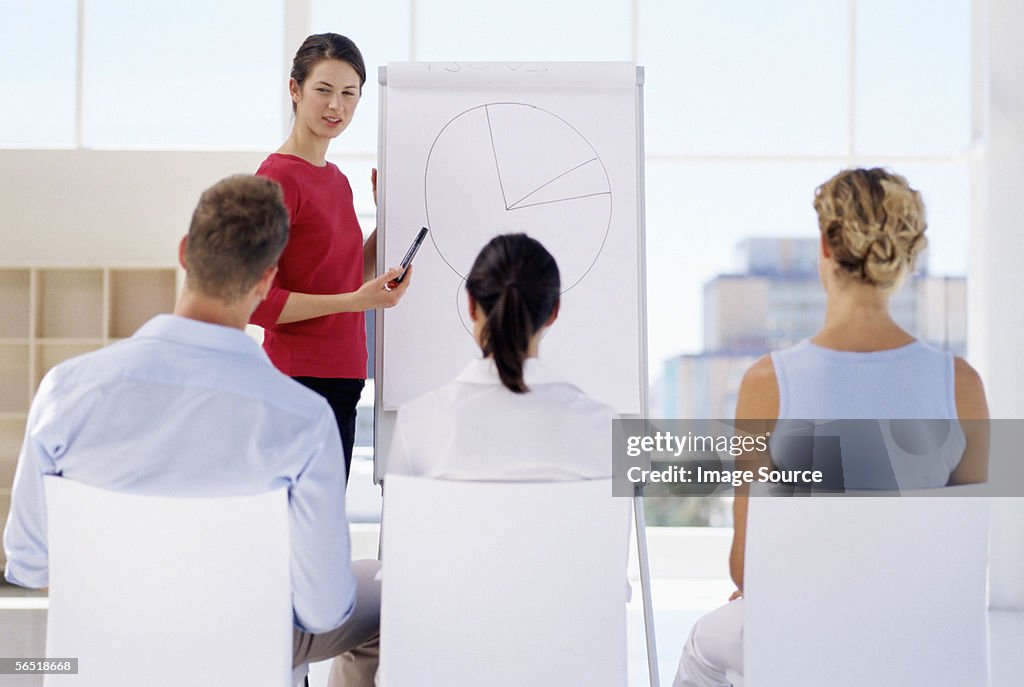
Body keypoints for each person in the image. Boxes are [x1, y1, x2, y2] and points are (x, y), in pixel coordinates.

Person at [3, 175, 379, 687]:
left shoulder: (65, 392)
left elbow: (26, 565)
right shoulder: (302, 420)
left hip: (97, 668)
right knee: (385, 591)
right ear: (267, 280)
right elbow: (321, 610)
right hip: (241, 665)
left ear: (185, 252)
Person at [672, 167, 990, 687]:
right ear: (906, 257)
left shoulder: (767, 384)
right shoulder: (963, 387)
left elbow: (745, 568)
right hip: (918, 648)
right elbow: (965, 560)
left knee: (704, 648)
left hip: (805, 642)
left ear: (825, 245)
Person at [251, 32, 410, 482]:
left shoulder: (337, 180)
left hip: (344, 378)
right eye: (323, 90)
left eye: (348, 94)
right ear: (295, 90)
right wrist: (354, 303)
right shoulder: (276, 179)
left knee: (320, 525)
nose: (335, 106)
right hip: (296, 382)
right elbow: (258, 303)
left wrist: (387, 220)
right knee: (299, 529)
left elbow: (343, 277)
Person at [386, 233, 615, 481]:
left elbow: (404, 520)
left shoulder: (417, 424)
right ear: (554, 312)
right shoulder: (609, 428)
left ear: (472, 305)